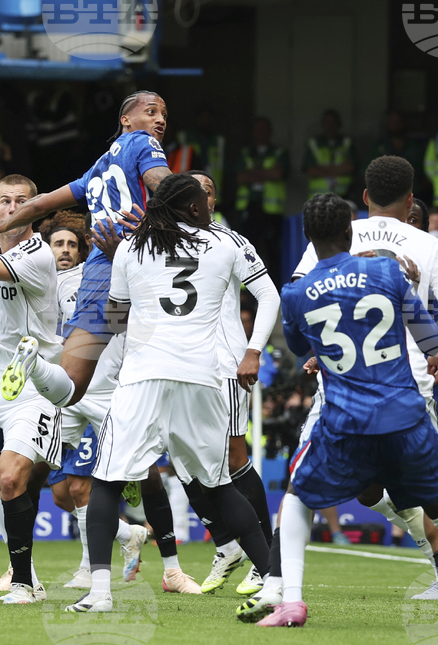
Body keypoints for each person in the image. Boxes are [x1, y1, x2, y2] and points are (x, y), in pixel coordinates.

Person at [273, 193, 438, 630]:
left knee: (297, 497)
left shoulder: (294, 293)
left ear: (308, 237)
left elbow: (300, 346)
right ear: (349, 231)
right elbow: (428, 339)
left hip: (344, 419)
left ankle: (288, 598)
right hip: (405, 413)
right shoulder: (387, 271)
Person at [59, 173, 273, 613]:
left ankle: (100, 593)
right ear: (194, 208)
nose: (211, 207)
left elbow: (116, 317)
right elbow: (269, 297)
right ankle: (275, 583)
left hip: (143, 378)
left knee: (107, 482)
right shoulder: (226, 242)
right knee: (219, 487)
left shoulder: (131, 247)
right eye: (205, 202)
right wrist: (253, 350)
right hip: (201, 379)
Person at [0, 91, 173, 414]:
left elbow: (41, 203)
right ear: (125, 120)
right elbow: (168, 188)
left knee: (70, 387)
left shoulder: (96, 169)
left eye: (164, 114)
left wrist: (5, 223)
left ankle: (35, 364)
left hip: (97, 272)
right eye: (152, 111)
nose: (160, 120)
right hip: (135, 263)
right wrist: (175, 212)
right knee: (152, 356)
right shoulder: (143, 142)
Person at [171, 171, 281, 596]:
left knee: (234, 459)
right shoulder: (160, 241)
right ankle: (226, 545)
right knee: (182, 461)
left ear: (213, 201)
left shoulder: (231, 241)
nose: (201, 197)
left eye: (208, 191)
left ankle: (266, 560)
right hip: (176, 366)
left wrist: (253, 349)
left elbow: (268, 295)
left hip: (224, 364)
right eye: (192, 190)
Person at [0, 174, 64, 604]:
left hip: (29, 381)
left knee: (9, 477)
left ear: (35, 210)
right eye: (5, 200)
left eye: (22, 201)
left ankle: (24, 582)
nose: (13, 207)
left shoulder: (38, 255)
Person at [41, 210, 150, 591]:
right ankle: (127, 532)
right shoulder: (38, 283)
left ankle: (90, 569)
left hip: (98, 392)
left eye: (72, 244)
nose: (65, 250)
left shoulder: (97, 278)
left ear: (83, 248)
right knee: (60, 494)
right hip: (61, 396)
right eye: (58, 244)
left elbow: (122, 324)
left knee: (79, 487)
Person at [235, 116, 290, 278]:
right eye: (257, 129)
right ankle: (248, 291)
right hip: (249, 207)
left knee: (273, 252)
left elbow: (278, 174)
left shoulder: (279, 152)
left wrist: (253, 173)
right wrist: (267, 173)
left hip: (271, 211)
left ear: (270, 131)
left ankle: (274, 288)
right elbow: (240, 176)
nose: (261, 132)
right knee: (247, 251)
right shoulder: (246, 152)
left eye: (264, 129)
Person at [364, 109, 428, 199]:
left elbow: (426, 176)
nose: (395, 124)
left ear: (404, 123)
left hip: (414, 196)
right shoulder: (379, 148)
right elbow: (365, 174)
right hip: (385, 198)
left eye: (398, 121)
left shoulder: (416, 148)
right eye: (392, 121)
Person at [303, 109, 355, 198]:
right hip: (318, 198)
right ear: (322, 124)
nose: (330, 125)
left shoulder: (346, 142)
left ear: (339, 124)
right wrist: (339, 169)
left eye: (333, 122)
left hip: (343, 196)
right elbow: (311, 170)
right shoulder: (314, 143)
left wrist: (322, 169)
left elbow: (350, 167)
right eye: (326, 122)